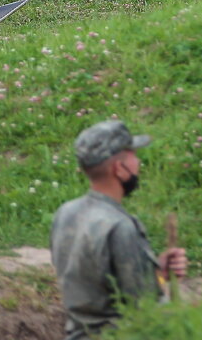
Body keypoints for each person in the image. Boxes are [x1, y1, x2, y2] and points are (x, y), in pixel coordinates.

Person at [50, 120, 188, 338]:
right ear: (119, 168)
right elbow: (145, 307)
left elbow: (97, 284)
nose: (138, 162)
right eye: (133, 155)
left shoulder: (66, 213)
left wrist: (157, 272)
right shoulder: (119, 225)